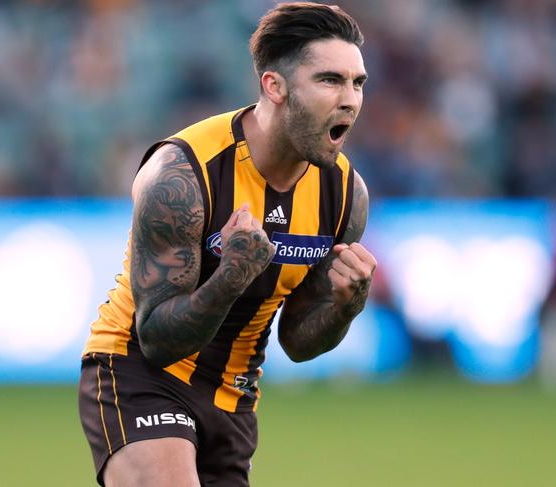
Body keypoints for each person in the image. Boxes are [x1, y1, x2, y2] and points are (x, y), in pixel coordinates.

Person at [78, 3, 377, 486]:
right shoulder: (182, 174)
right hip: (139, 376)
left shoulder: (345, 195)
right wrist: (234, 275)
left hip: (234, 397)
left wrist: (346, 306)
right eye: (329, 81)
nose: (349, 100)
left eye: (357, 82)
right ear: (274, 86)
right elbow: (155, 339)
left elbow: (298, 342)